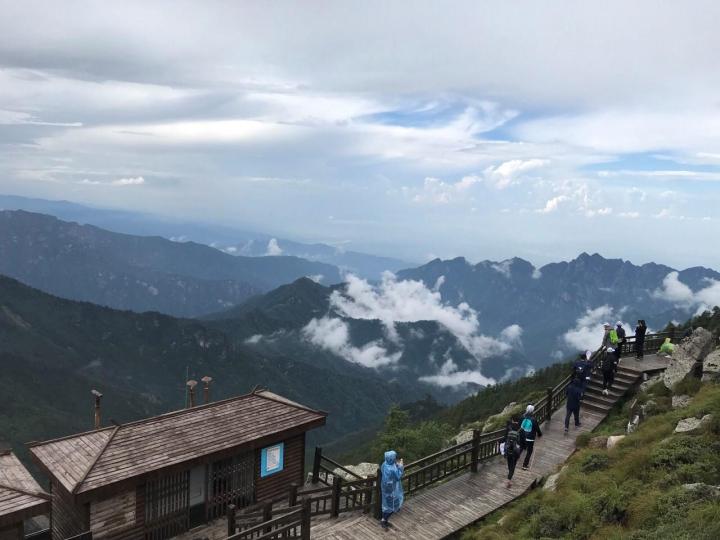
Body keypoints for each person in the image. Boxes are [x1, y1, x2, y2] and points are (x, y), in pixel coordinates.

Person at [380, 450, 404, 530]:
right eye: (394, 457)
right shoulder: (392, 469)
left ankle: (385, 520)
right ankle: (383, 520)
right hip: (391, 489)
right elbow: (398, 476)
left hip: (384, 487)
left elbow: (382, 469)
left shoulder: (385, 463)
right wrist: (400, 466)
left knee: (386, 504)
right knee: (391, 506)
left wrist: (396, 464)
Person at [519, 404, 542, 470]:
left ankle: (515, 458)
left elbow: (519, 426)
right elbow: (537, 428)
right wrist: (539, 434)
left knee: (521, 447)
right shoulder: (533, 419)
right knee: (529, 451)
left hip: (522, 436)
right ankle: (524, 465)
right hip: (530, 438)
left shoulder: (522, 417)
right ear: (532, 411)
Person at [503, 416, 521, 488]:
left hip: (508, 451)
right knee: (513, 466)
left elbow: (505, 441)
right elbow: (519, 443)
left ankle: (509, 476)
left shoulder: (509, 433)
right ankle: (508, 480)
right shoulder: (518, 434)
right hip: (515, 452)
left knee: (509, 464)